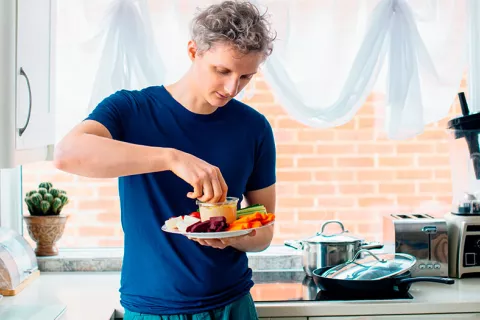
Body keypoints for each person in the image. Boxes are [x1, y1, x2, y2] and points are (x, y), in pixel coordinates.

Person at [54, 1, 277, 319]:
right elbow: (67, 155)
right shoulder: (131, 110)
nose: (232, 88)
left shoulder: (254, 128)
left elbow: (265, 232)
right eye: (222, 71)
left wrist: (234, 237)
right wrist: (171, 158)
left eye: (245, 77)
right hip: (152, 309)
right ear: (193, 51)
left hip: (232, 306)